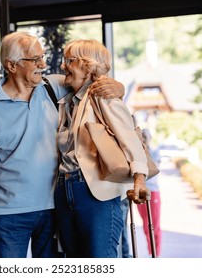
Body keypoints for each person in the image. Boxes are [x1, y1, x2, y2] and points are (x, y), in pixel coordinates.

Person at [0, 32, 125, 258]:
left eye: (43, 57)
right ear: (11, 65)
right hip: (10, 210)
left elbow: (90, 80)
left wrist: (117, 87)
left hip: (55, 205)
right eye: (35, 60)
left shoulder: (53, 87)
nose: (43, 65)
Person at [54, 39, 149, 258]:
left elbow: (130, 139)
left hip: (94, 193)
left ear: (87, 65)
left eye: (69, 60)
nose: (62, 66)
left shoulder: (103, 96)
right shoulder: (67, 99)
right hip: (64, 189)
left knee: (100, 262)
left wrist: (139, 179)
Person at [137, 128, 162, 257]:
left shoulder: (154, 152)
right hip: (141, 192)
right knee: (147, 227)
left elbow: (153, 171)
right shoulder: (138, 153)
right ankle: (151, 252)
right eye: (143, 138)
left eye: (146, 137)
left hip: (152, 192)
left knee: (154, 226)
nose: (144, 140)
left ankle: (155, 254)